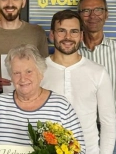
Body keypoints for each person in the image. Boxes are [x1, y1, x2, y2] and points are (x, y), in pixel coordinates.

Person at [0, 44, 86, 154]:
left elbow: (79, 149)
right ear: (11, 76)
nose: (23, 78)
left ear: (41, 73)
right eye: (16, 73)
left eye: (29, 71)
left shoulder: (61, 106)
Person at [41, 9, 115, 154]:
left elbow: (109, 123)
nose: (67, 37)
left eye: (74, 31)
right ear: (52, 34)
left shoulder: (98, 72)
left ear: (81, 35)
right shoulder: (38, 71)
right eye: (61, 31)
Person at [76, 0, 116, 154]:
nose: (92, 16)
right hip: (80, 131)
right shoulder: (69, 53)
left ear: (106, 14)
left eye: (98, 10)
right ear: (79, 16)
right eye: (86, 11)